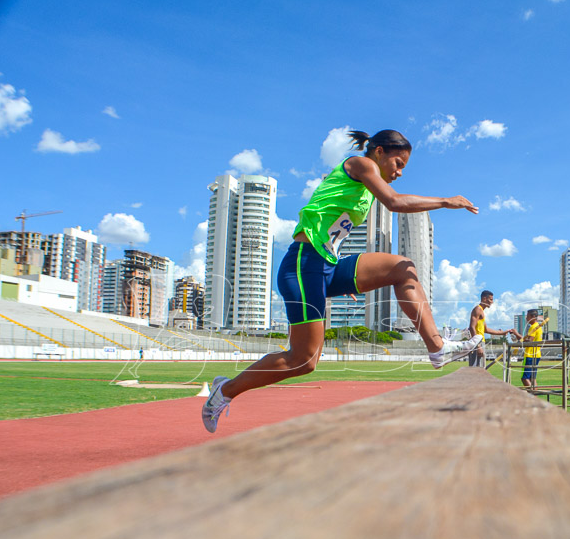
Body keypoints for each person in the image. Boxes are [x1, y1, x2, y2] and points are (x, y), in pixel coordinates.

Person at [201, 129, 483, 433]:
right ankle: (225, 390)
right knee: (303, 361)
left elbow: (334, 230)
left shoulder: (363, 188)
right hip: (303, 262)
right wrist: (444, 201)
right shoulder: (361, 166)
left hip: (327, 266)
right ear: (378, 152)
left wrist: (343, 281)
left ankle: (437, 349)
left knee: (402, 267)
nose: (399, 172)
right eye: (398, 163)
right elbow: (395, 202)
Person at [467, 290, 520, 367]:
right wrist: (477, 346)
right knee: (475, 371)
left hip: (481, 343)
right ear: (484, 299)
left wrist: (502, 332)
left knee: (481, 371)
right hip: (477, 344)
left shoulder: (482, 311)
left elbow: (486, 330)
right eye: (491, 299)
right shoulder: (477, 309)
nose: (492, 302)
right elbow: (471, 327)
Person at [520, 309, 547, 391]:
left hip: (530, 355)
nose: (526, 318)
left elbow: (529, 341)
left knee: (524, 378)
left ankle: (533, 396)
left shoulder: (533, 326)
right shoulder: (538, 327)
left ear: (533, 317)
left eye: (527, 316)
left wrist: (517, 335)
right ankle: (536, 397)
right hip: (536, 354)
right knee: (533, 378)